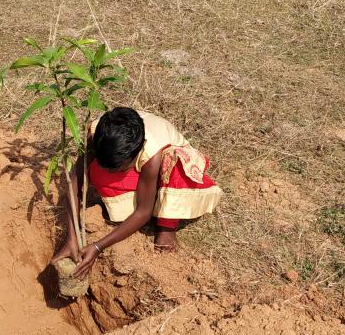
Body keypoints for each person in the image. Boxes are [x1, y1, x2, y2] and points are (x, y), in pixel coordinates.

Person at [52, 108, 222, 279]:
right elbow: (74, 184)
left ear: (135, 154)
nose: (111, 171)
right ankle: (140, 191)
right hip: (138, 168)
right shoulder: (97, 134)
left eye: (117, 167)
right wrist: (71, 237)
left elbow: (143, 212)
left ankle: (167, 226)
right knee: (99, 172)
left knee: (172, 166)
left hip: (170, 164)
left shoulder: (152, 153)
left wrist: (98, 247)